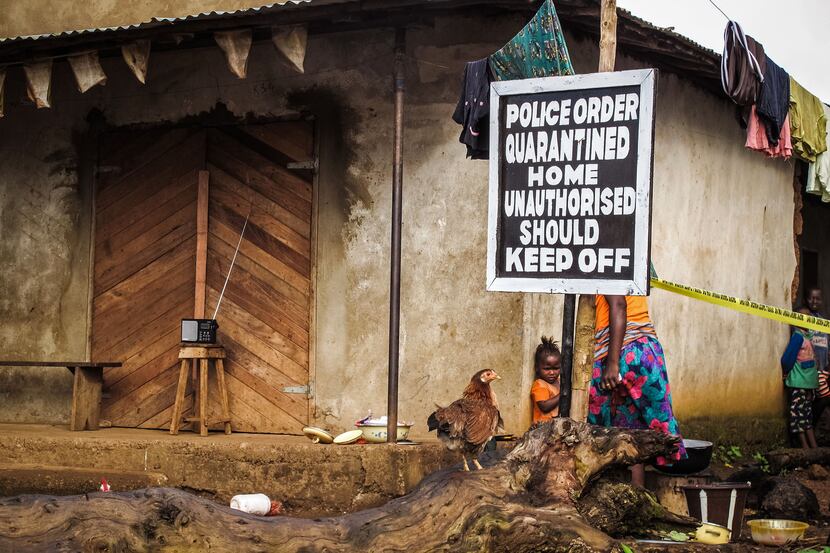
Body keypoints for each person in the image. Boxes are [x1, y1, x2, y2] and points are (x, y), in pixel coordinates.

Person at [587, 295, 684, 487]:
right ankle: (635, 494)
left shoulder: (610, 264)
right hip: (644, 350)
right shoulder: (637, 268)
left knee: (599, 431)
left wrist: (613, 363)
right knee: (631, 431)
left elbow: (619, 304)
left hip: (623, 351)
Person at [782, 308, 820, 449]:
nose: (808, 320)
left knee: (802, 415)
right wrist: (787, 371)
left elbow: (787, 360)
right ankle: (807, 447)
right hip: (801, 384)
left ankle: (812, 447)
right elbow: (787, 359)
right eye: (804, 317)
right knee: (802, 415)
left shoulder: (806, 337)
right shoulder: (799, 337)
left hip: (805, 384)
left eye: (809, 317)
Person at [531, 336, 561, 424]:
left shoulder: (559, 382)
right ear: (537, 368)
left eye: (556, 368)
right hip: (542, 430)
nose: (552, 372)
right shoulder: (540, 385)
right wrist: (563, 394)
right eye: (547, 369)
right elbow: (544, 407)